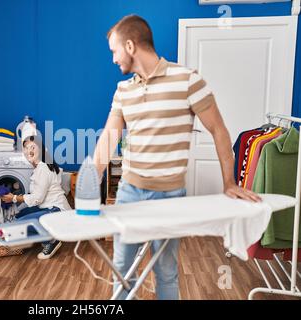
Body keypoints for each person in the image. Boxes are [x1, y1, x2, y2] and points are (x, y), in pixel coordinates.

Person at [92, 14, 261, 300]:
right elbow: (108, 139)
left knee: (166, 271)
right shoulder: (123, 90)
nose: (113, 59)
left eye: (114, 51)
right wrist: (87, 190)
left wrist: (229, 183)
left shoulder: (187, 80)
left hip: (169, 196)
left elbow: (219, 130)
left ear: (130, 46)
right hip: (129, 194)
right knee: (121, 268)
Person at [2, 135, 71, 259]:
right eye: (26, 148)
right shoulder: (43, 166)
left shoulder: (43, 168)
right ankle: (48, 234)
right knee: (18, 216)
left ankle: (50, 240)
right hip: (52, 209)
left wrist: (14, 198)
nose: (29, 150)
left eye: (33, 147)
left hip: (55, 211)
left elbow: (38, 198)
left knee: (17, 225)